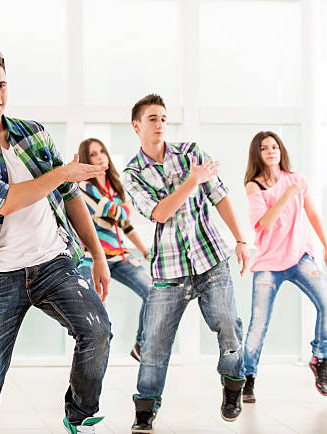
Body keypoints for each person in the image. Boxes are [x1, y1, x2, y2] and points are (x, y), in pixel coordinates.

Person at [0, 45, 112, 434]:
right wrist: (64, 172)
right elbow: (4, 201)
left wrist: (98, 255)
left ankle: (80, 418)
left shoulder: (33, 133)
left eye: (1, 85)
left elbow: (71, 199)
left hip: (53, 262)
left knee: (97, 331)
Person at [122, 94, 250, 433]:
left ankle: (233, 387)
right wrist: (192, 180)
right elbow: (161, 212)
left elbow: (219, 196)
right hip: (169, 272)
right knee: (154, 346)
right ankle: (145, 412)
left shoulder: (192, 152)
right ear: (137, 125)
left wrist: (240, 239)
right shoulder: (132, 173)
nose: (160, 123)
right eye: (152, 118)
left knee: (229, 326)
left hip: (211, 260)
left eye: (163, 118)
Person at [241, 131, 327, 402]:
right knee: (259, 324)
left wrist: (326, 244)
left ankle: (320, 358)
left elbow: (312, 213)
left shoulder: (297, 180)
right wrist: (288, 194)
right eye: (265, 148)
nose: (271, 151)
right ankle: (248, 377)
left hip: (300, 256)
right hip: (269, 263)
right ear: (258, 153)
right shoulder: (254, 186)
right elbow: (264, 223)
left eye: (275, 146)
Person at [77, 138, 151, 361]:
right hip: (92, 259)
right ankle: (90, 361)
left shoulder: (115, 189)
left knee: (154, 292)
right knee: (92, 314)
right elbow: (113, 211)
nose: (100, 156)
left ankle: (141, 345)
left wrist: (145, 252)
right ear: (86, 160)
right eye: (93, 154)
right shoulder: (84, 187)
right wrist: (124, 208)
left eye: (102, 151)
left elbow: (125, 225)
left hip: (120, 257)